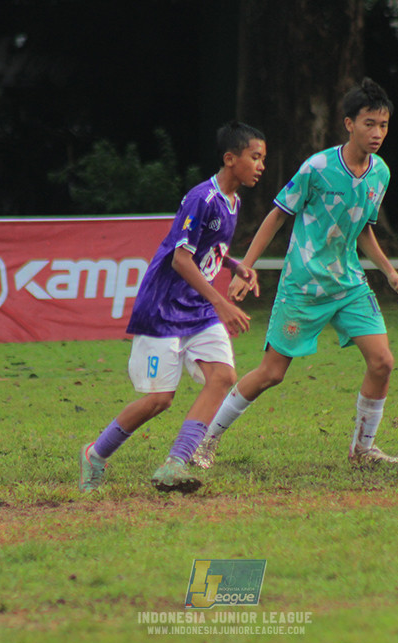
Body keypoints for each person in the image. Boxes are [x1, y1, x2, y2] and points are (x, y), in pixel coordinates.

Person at [192, 77, 398, 470]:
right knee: (270, 373)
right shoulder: (317, 167)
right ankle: (203, 442)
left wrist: (390, 273)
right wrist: (246, 267)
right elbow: (278, 214)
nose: (377, 132)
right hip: (304, 286)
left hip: (348, 285)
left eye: (382, 124)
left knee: (382, 361)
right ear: (349, 124)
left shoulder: (380, 173)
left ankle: (363, 449)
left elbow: (362, 227)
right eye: (368, 123)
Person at [78, 121, 266, 493]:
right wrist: (222, 302)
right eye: (255, 157)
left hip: (197, 309)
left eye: (263, 158)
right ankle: (94, 455)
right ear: (231, 159)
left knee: (224, 377)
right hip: (163, 309)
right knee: (159, 399)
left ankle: (175, 464)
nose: (261, 165)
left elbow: (211, 248)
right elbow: (181, 259)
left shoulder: (233, 201)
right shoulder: (203, 198)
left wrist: (235, 266)